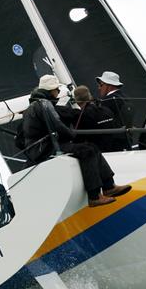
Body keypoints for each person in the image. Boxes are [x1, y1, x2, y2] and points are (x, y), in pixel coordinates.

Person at [19, 74, 131, 207]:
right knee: (87, 150)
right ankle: (94, 196)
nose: (59, 93)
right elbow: (57, 125)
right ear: (51, 90)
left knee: (91, 147)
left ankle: (109, 186)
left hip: (40, 148)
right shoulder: (44, 104)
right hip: (45, 149)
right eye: (57, 90)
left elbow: (23, 137)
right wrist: (72, 135)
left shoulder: (33, 106)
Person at [71, 85, 118, 152]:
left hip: (95, 151)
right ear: (89, 96)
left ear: (76, 100)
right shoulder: (106, 110)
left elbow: (79, 137)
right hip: (113, 148)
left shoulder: (82, 115)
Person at [95, 71, 134, 150]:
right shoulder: (126, 98)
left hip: (111, 145)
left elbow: (100, 123)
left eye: (101, 85)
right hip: (127, 142)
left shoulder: (107, 101)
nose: (99, 88)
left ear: (109, 85)